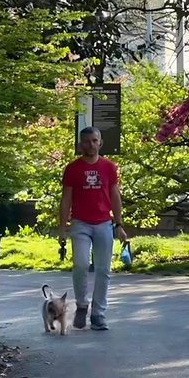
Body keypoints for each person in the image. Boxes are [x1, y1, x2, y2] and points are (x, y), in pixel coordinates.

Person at [58, 126, 127, 331]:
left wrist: (119, 224)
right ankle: (82, 305)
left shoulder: (109, 167)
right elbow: (66, 200)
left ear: (100, 142)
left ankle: (98, 314)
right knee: (80, 264)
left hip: (104, 223)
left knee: (103, 270)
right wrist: (62, 228)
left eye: (94, 141)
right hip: (80, 223)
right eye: (86, 141)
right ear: (80, 145)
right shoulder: (72, 168)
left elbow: (115, 196)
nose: (91, 145)